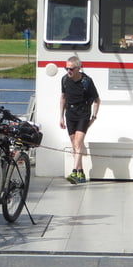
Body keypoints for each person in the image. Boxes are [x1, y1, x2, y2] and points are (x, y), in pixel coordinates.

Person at [59, 56, 100, 184]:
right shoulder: (65, 80)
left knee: (78, 142)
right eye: (66, 68)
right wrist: (61, 116)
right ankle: (81, 173)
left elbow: (97, 100)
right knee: (74, 143)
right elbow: (63, 97)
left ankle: (74, 171)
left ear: (78, 68)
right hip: (70, 114)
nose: (68, 71)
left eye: (71, 69)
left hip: (83, 113)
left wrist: (93, 117)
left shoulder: (86, 81)